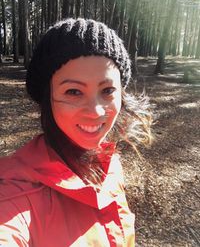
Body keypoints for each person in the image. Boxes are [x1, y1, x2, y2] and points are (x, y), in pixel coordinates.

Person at [0, 18, 152, 247]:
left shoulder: (109, 163)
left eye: (108, 90)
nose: (96, 111)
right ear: (47, 98)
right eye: (73, 91)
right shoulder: (15, 194)